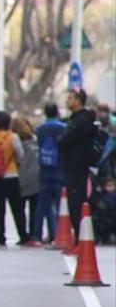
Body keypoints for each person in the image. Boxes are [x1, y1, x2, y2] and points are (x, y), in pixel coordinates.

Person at [57, 89, 97, 243]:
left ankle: (80, 239)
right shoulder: (76, 120)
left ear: (78, 101)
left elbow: (66, 140)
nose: (67, 101)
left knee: (76, 201)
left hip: (77, 165)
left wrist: (61, 140)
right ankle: (78, 239)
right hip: (73, 165)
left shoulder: (81, 121)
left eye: (70, 98)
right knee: (74, 201)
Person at [0, 111, 27, 246]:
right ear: (9, 122)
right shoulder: (12, 137)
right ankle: (22, 234)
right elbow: (21, 154)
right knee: (17, 208)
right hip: (11, 175)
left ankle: (1, 238)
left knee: (0, 208)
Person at [34, 103, 66, 244]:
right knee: (61, 205)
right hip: (59, 169)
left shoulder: (40, 129)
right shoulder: (63, 128)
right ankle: (58, 233)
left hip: (44, 169)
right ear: (57, 112)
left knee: (42, 205)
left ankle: (37, 235)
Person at [12, 116, 41, 246]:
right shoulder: (35, 140)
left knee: (19, 209)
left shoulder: (14, 140)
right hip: (36, 176)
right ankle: (34, 234)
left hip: (20, 177)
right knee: (34, 208)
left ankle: (23, 235)